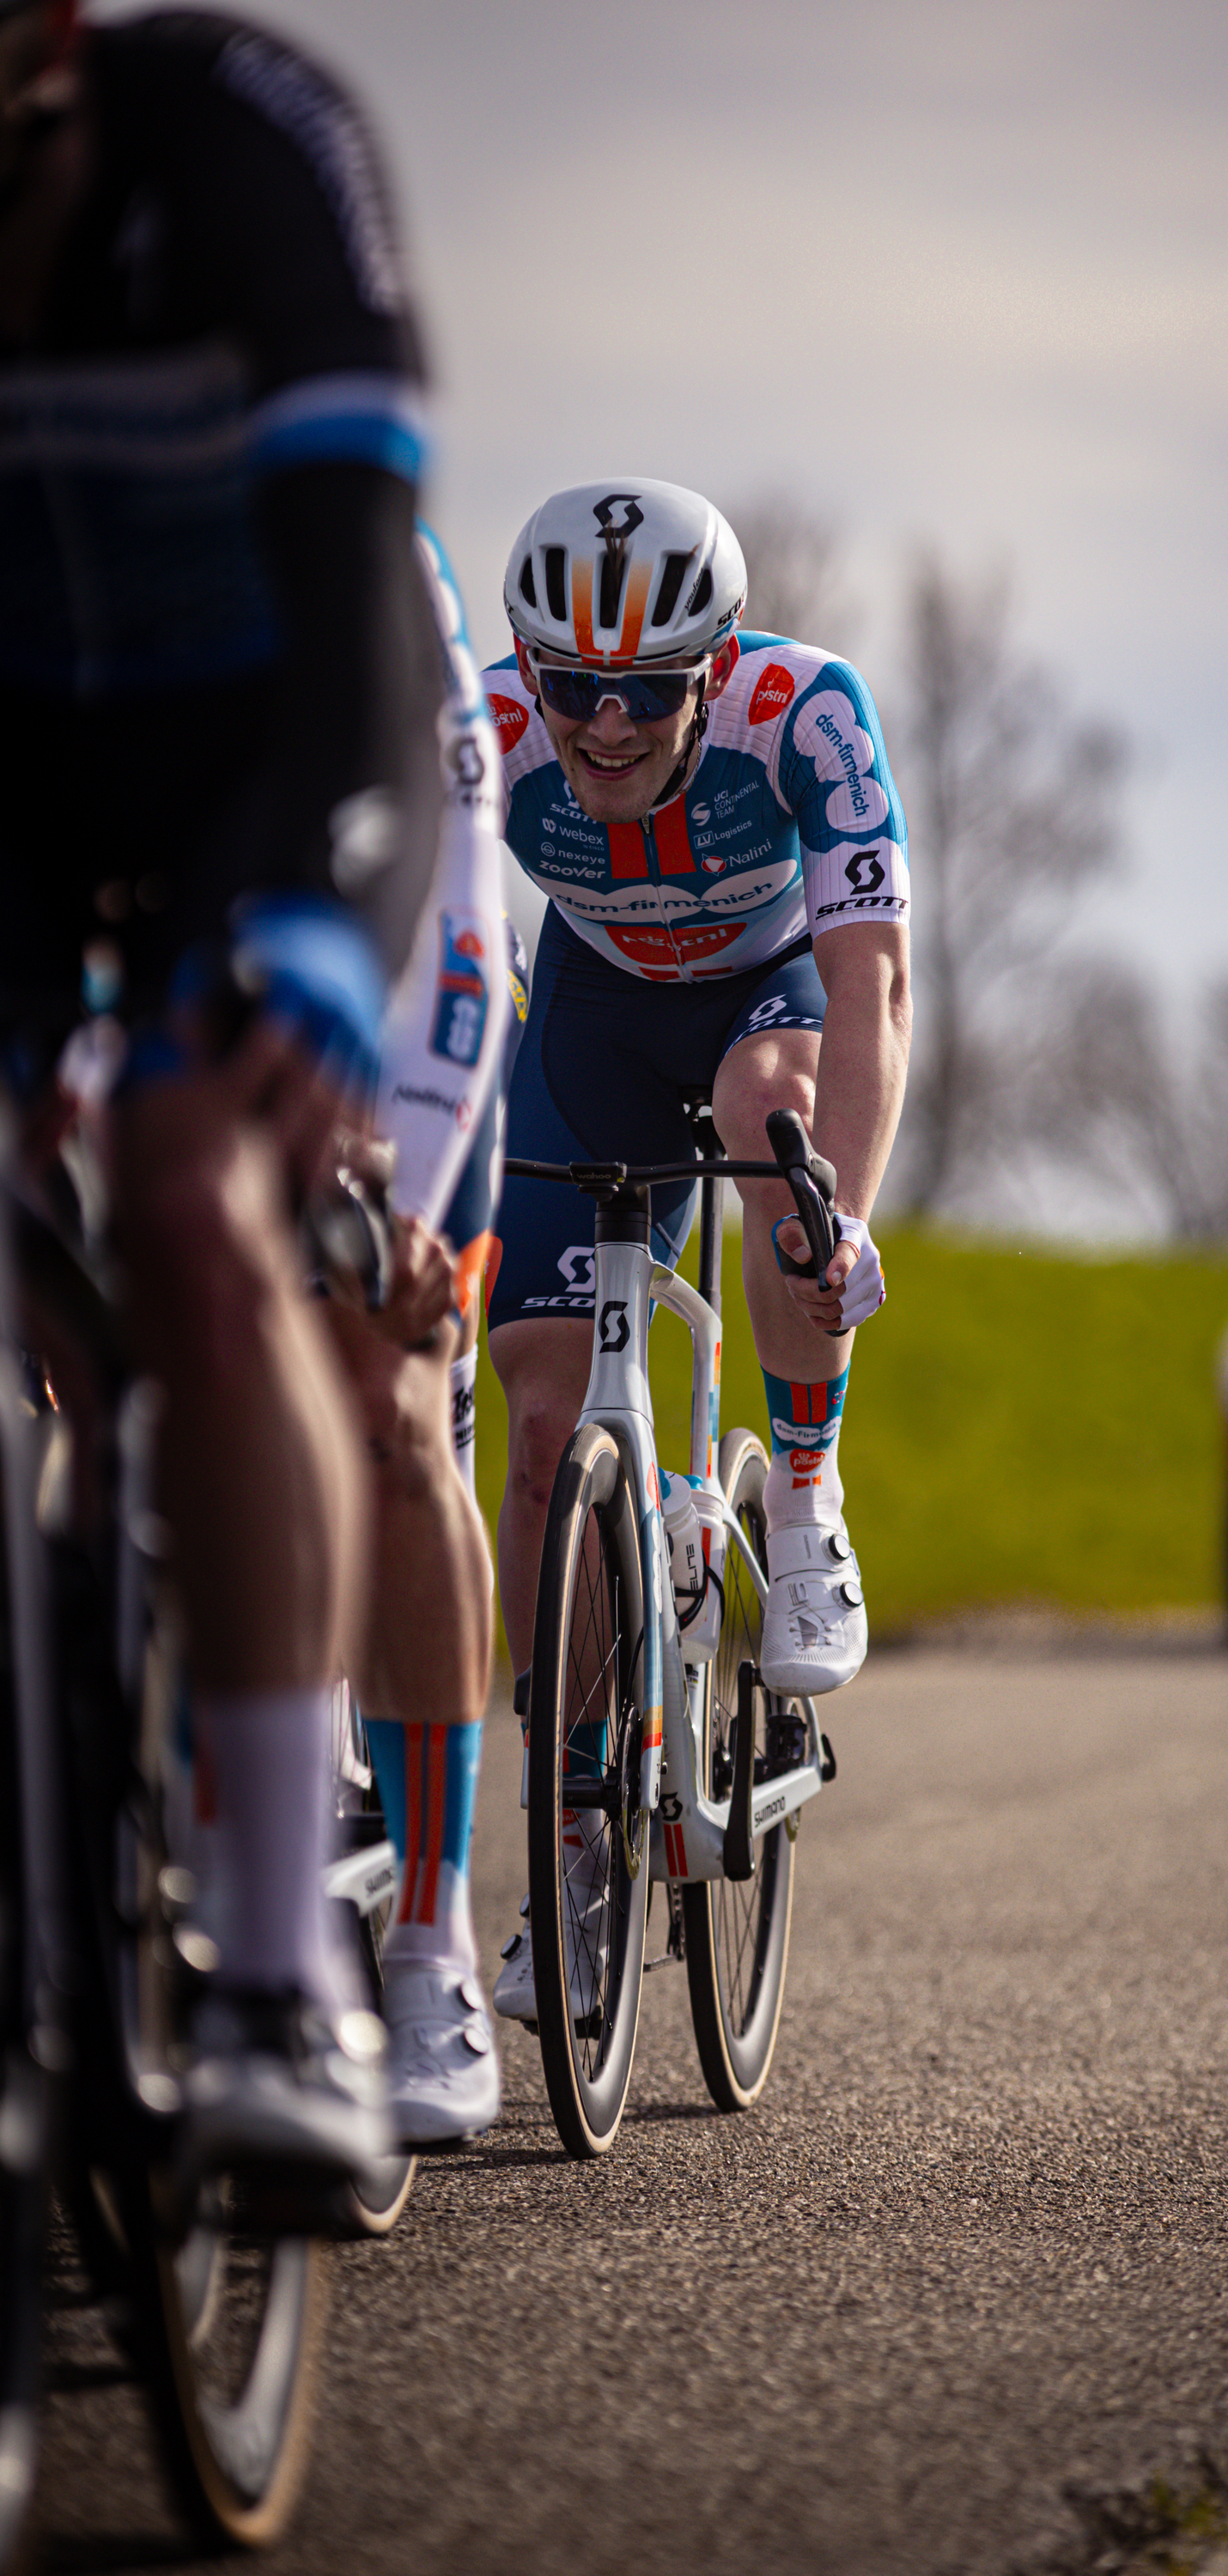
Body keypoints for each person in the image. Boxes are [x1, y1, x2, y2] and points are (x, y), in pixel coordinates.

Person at [0, 1, 441, 2203]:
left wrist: (320, 911)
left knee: (189, 1201)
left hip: (274, 757)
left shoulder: (249, 139)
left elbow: (367, 577)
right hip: (26, 756)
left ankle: (285, 1970)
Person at [482, 478, 911, 2020]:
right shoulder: (492, 736)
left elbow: (872, 983)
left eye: (643, 691)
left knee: (775, 1134)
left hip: (763, 1001)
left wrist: (837, 1210)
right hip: (589, 1013)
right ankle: (577, 1836)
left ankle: (804, 1495)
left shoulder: (806, 715)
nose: (601, 725)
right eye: (568, 686)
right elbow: (426, 949)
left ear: (713, 667)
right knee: (541, 1432)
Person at [328, 521, 526, 2149]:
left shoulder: (362, 543)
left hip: (403, 996)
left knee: (395, 1406)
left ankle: (427, 1940)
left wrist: (414, 1179)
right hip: (148, 964)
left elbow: (462, 904)